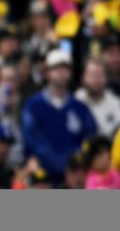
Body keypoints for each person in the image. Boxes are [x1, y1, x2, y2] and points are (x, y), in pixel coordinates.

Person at [21, 48, 98, 185]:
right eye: (56, 68)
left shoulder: (80, 108)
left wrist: (74, 164)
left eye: (65, 68)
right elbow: (33, 140)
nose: (61, 73)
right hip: (43, 178)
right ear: (47, 73)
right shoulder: (33, 106)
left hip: (75, 176)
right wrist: (58, 163)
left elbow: (90, 138)